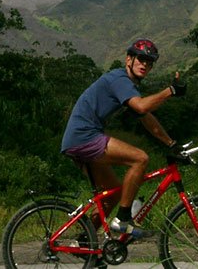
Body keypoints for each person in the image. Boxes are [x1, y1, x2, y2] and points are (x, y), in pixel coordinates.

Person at [60, 38, 186, 239]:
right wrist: (170, 91)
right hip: (84, 137)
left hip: (80, 139)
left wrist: (171, 143)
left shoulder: (126, 85)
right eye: (141, 59)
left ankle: (84, 242)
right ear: (129, 59)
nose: (145, 64)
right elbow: (141, 106)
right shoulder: (119, 79)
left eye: (150, 62)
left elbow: (146, 118)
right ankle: (123, 219)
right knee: (140, 158)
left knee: (113, 194)